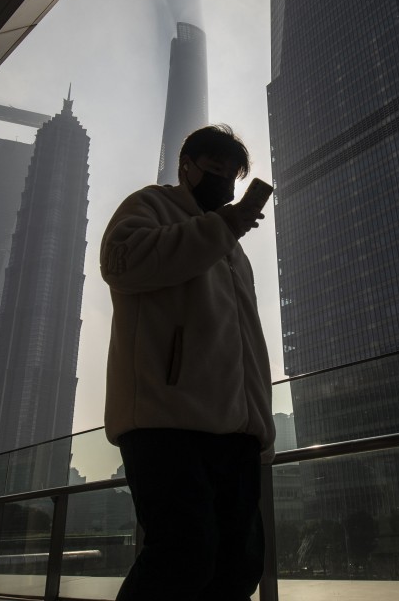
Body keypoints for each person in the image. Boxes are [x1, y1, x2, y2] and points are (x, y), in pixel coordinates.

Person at [100, 124, 275, 600]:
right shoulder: (152, 204)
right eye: (213, 169)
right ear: (186, 167)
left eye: (231, 174)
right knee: (183, 554)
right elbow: (119, 261)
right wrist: (224, 225)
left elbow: (245, 345)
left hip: (236, 430)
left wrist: (260, 425)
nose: (222, 181)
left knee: (239, 566)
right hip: (165, 419)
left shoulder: (233, 250)